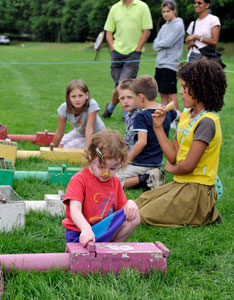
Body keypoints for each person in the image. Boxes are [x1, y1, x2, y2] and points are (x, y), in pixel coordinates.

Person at [135, 57, 227, 227]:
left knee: (142, 215)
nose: (181, 92)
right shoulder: (186, 115)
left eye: (185, 87)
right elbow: (173, 156)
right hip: (182, 183)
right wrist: (158, 127)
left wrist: (172, 169)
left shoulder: (207, 122)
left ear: (201, 89)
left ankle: (205, 213)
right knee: (139, 202)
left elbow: (187, 166)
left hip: (197, 190)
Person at [62, 129, 140, 247]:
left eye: (113, 169)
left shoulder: (115, 182)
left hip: (102, 231)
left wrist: (130, 203)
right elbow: (75, 210)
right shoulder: (79, 180)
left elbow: (122, 209)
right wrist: (86, 229)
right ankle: (103, 248)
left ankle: (111, 248)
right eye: (101, 166)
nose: (106, 173)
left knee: (134, 217)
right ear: (90, 155)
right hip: (80, 234)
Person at [116, 75, 180, 190]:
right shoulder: (164, 110)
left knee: (112, 179)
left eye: (133, 97)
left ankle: (145, 177)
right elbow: (181, 115)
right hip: (157, 162)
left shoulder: (141, 116)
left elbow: (142, 142)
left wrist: (127, 160)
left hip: (141, 163)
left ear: (141, 97)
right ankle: (152, 176)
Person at [102, 0, 153, 120]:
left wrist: (138, 49)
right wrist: (112, 48)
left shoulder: (142, 7)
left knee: (123, 84)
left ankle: (126, 114)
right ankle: (111, 107)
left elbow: (147, 30)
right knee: (118, 85)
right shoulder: (114, 8)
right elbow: (108, 32)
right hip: (117, 53)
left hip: (133, 53)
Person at [52, 79, 105, 148]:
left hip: (96, 135)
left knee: (67, 148)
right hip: (79, 133)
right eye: (73, 96)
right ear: (68, 97)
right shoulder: (63, 108)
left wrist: (88, 151)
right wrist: (52, 150)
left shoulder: (92, 105)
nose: (77, 100)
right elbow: (60, 132)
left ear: (87, 95)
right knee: (60, 145)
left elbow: (89, 130)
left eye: (80, 95)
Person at [153, 0, 185, 110]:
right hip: (160, 63)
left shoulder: (178, 26)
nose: (165, 14)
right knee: (162, 92)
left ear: (174, 11)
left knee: (171, 93)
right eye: (163, 11)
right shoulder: (164, 26)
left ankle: (175, 117)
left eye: (168, 11)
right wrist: (160, 44)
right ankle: (166, 115)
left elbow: (168, 42)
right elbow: (155, 43)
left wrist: (159, 44)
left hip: (171, 64)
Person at [118, 79, 139, 151]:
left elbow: (127, 140)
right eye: (122, 98)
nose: (125, 101)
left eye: (129, 97)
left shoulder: (139, 115)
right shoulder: (129, 114)